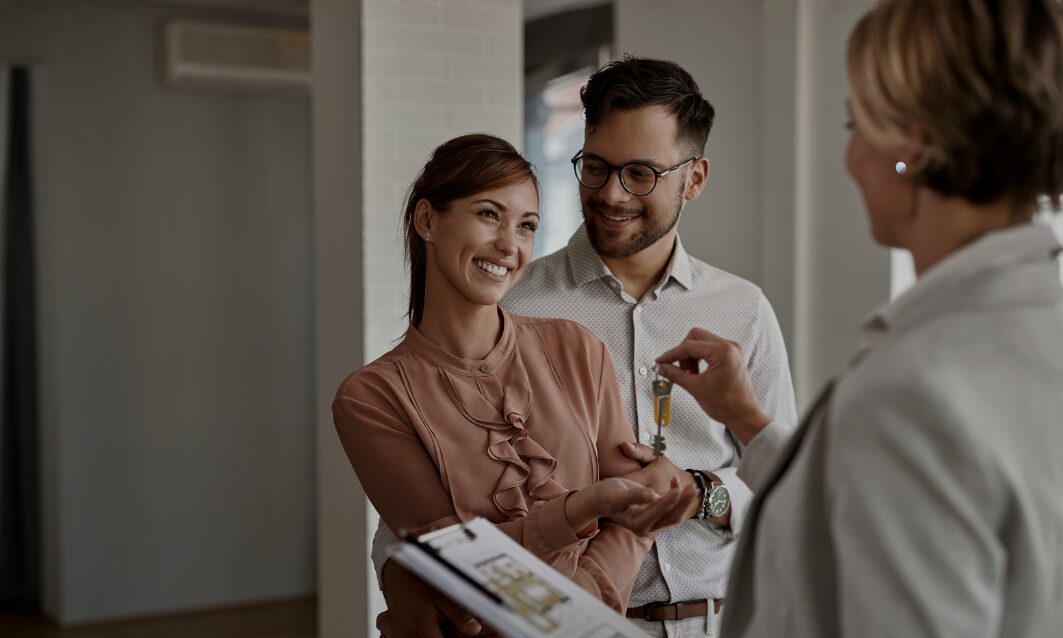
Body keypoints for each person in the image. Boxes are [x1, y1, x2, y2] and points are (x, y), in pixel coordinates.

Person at [654, 1, 1063, 636]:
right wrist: (747, 420)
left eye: (855, 124)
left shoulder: (915, 390)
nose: (849, 159)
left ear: (911, 145)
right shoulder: (1034, 331)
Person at [374, 58, 798, 638]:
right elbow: (429, 484)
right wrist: (396, 568)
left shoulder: (743, 310)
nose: (612, 194)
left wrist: (703, 493)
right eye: (595, 167)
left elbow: (784, 482)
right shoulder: (511, 303)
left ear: (695, 179)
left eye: (641, 173)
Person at [333, 134, 698, 636]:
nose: (510, 245)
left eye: (527, 225)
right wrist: (584, 508)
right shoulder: (371, 398)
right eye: (489, 214)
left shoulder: (577, 349)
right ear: (427, 220)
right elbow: (457, 563)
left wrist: (575, 612)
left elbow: (633, 519)